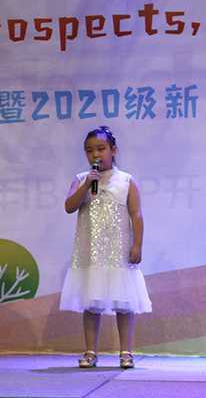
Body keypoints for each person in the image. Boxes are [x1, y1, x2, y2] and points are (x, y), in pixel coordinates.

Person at [60, 126, 151, 369]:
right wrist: (86, 185)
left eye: (100, 149)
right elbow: (69, 207)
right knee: (92, 303)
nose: (95, 155)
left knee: (124, 302)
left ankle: (126, 352)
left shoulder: (126, 180)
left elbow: (136, 213)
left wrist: (137, 244)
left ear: (113, 150)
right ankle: (90, 351)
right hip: (91, 252)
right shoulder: (82, 179)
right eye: (89, 151)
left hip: (118, 251)